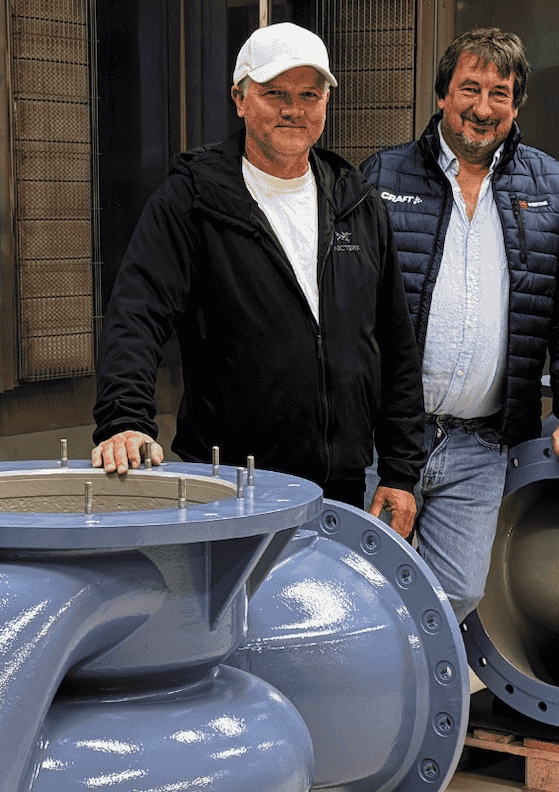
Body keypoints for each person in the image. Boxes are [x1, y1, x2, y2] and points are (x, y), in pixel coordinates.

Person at [90, 22, 426, 533]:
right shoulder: (192, 200)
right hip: (231, 481)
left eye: (309, 95)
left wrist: (400, 470)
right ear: (240, 99)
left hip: (342, 485)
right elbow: (137, 313)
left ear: (326, 104)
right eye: (275, 94)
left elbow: (395, 344)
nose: (294, 109)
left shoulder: (356, 203)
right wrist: (126, 420)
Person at [359, 28, 559, 620]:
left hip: (480, 443)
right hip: (382, 435)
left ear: (517, 104)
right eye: (469, 88)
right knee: (364, 588)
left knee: (457, 595)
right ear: (442, 94)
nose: (482, 107)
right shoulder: (379, 181)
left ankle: (423, 704)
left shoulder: (552, 190)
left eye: (500, 93)